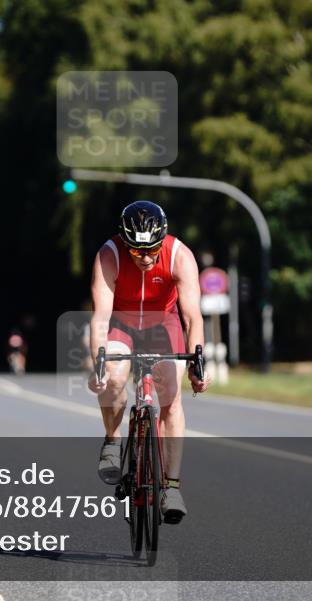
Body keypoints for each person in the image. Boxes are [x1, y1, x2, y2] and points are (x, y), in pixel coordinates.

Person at [88, 200, 210, 525]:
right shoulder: (109, 255)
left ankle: (172, 486)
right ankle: (112, 443)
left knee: (170, 394)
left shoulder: (180, 255)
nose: (144, 258)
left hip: (162, 323)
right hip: (122, 322)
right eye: (136, 251)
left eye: (151, 250)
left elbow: (192, 316)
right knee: (112, 379)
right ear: (124, 241)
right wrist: (97, 363)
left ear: (162, 241)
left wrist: (198, 364)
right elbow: (100, 317)